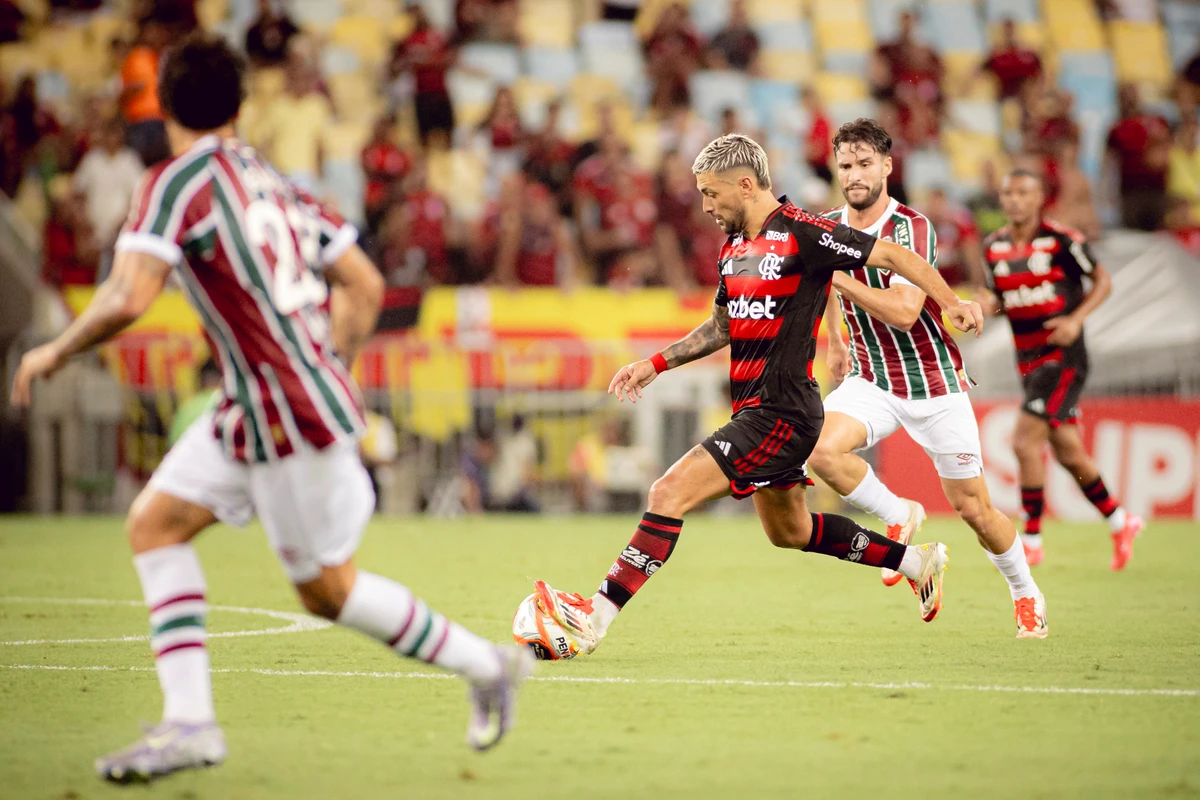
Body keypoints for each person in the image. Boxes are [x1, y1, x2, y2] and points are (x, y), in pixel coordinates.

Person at [9, 35, 532, 784]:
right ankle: (190, 724)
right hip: (263, 403)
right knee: (155, 525)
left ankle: (487, 667)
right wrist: (328, 367)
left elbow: (129, 295)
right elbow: (366, 285)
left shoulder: (173, 182)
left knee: (327, 590)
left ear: (161, 103)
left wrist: (53, 350)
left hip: (281, 411)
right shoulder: (270, 180)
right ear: (240, 105)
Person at [532, 134, 985, 656]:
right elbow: (722, 325)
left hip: (782, 413)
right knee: (789, 531)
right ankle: (915, 562)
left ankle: (595, 619)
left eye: (711, 193)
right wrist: (654, 364)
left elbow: (892, 254)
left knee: (667, 493)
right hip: (755, 408)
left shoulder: (806, 233)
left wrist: (949, 301)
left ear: (745, 185)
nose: (706, 206)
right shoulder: (735, 249)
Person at [808, 119, 1045, 639]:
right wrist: (836, 339)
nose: (854, 175)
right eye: (845, 165)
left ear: (887, 167)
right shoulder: (826, 225)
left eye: (865, 164)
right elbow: (826, 288)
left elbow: (904, 312)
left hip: (933, 384)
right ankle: (899, 514)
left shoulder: (910, 228)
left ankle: (1026, 592)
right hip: (873, 380)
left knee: (976, 511)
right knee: (819, 450)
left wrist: (838, 275)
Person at [980, 169, 1143, 570]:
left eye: (1023, 192)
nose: (1015, 200)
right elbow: (998, 298)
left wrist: (1076, 320)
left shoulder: (1062, 240)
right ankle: (1122, 521)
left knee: (1022, 443)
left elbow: (1102, 281)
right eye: (1008, 193)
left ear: (1039, 199)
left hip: (1062, 357)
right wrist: (982, 306)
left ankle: (1031, 538)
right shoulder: (993, 246)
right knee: (1069, 452)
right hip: (1027, 358)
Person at [120, 18, 172, 166]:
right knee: (141, 166)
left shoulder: (161, 56)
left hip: (160, 119)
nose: (155, 35)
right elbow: (128, 90)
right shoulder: (137, 57)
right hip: (140, 121)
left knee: (162, 164)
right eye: (151, 31)